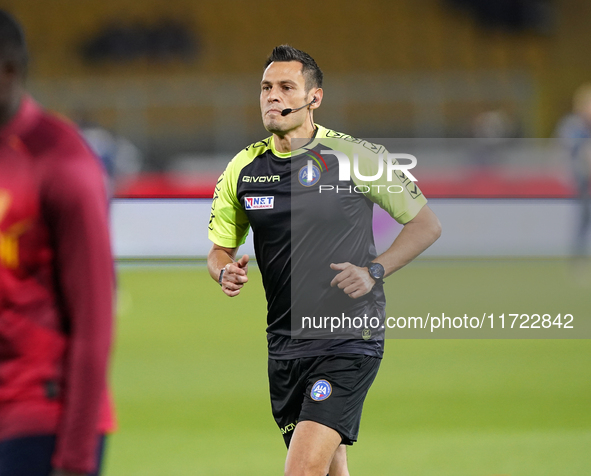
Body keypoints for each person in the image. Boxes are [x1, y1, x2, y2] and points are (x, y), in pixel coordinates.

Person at [207, 45, 441, 476]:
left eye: (285, 87)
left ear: (313, 98)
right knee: (332, 470)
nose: (272, 97)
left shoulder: (356, 157)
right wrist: (223, 269)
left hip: (348, 338)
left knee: (302, 470)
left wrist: (374, 270)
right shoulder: (243, 168)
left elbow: (425, 225)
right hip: (284, 344)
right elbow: (220, 247)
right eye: (265, 88)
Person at [0, 10, 114, 476]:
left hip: (40, 416)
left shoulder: (61, 161)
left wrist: (74, 460)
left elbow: (94, 320)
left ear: (7, 71)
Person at [556, 84, 591, 259]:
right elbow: (566, 153)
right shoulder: (572, 126)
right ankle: (578, 257)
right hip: (581, 178)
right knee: (583, 216)